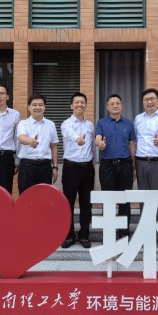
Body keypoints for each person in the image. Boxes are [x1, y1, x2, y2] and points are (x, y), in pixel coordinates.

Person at [134, 88, 158, 250]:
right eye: (146, 99)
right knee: (144, 200)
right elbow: (135, 140)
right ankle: (146, 235)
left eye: (152, 99)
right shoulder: (138, 119)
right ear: (143, 102)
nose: (149, 102)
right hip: (141, 162)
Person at [95, 94, 136, 238]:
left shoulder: (128, 123)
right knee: (108, 199)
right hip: (107, 165)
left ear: (121, 106)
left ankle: (124, 233)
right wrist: (100, 144)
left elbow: (131, 144)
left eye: (117, 103)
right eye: (112, 104)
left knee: (125, 199)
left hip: (125, 164)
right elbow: (98, 139)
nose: (115, 106)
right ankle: (109, 233)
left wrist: (133, 166)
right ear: (107, 107)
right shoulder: (101, 123)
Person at [60, 92, 95, 249]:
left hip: (87, 168)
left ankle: (84, 234)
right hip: (71, 167)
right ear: (71, 105)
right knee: (68, 202)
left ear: (85, 105)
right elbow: (69, 133)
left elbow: (92, 145)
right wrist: (77, 138)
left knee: (86, 203)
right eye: (77, 102)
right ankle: (68, 235)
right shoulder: (66, 123)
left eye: (82, 102)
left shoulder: (90, 125)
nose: (80, 104)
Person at [17, 93, 59, 193]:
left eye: (40, 105)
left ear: (44, 107)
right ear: (29, 107)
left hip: (45, 167)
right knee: (26, 197)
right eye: (34, 105)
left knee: (44, 197)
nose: (37, 107)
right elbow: (21, 138)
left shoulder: (51, 124)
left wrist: (55, 167)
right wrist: (30, 141)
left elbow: (54, 146)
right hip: (27, 166)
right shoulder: (23, 123)